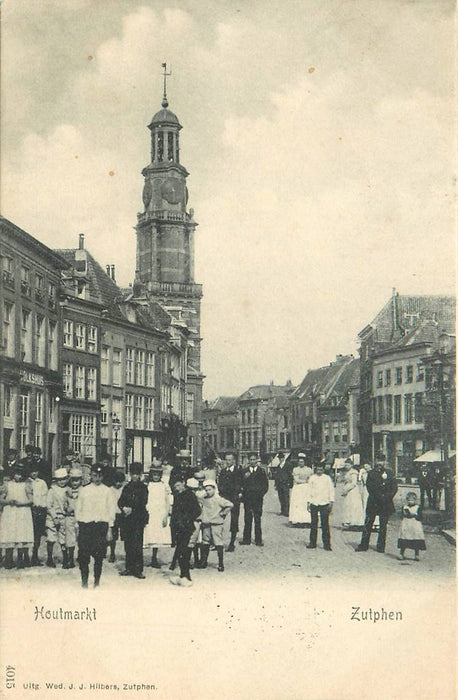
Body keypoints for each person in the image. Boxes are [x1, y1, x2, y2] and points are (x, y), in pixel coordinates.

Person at [75, 463, 115, 588]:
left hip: (100, 527)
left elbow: (111, 510)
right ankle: (84, 582)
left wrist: (110, 529)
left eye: (99, 476)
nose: (96, 478)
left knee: (98, 557)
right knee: (84, 557)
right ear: (90, 475)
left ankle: (96, 582)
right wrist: (77, 526)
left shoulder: (107, 491)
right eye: (94, 475)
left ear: (102, 476)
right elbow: (78, 509)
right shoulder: (84, 490)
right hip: (86, 526)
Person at [355, 459, 398, 554]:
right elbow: (370, 487)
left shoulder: (390, 473)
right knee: (368, 524)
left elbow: (394, 488)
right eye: (378, 462)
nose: (380, 464)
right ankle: (364, 544)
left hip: (386, 503)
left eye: (382, 462)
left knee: (383, 526)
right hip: (374, 502)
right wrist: (379, 496)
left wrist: (386, 497)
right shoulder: (371, 473)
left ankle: (381, 546)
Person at [0, 463, 34, 569]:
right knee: (9, 533)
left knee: (21, 533)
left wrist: (22, 503)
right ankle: (8, 560)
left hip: (23, 512)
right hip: (10, 511)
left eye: (20, 474)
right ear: (13, 474)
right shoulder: (7, 485)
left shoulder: (26, 485)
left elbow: (31, 500)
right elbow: (1, 499)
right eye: (16, 474)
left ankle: (21, 559)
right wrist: (8, 501)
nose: (18, 476)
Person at [118, 462, 149, 579]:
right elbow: (120, 501)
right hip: (127, 520)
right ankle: (129, 567)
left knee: (137, 544)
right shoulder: (127, 487)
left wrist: (132, 508)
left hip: (138, 519)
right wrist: (123, 508)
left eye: (137, 474)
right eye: (133, 474)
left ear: (140, 474)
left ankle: (138, 569)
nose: (135, 476)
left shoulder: (143, 488)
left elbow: (143, 502)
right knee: (128, 544)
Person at [169, 478, 201, 586]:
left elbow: (197, 510)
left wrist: (188, 518)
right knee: (181, 551)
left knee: (184, 551)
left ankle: (187, 577)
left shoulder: (190, 495)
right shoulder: (177, 496)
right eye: (175, 487)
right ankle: (183, 575)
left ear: (183, 483)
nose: (177, 488)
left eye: (178, 485)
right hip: (178, 527)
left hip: (186, 527)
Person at [198, 479, 233, 572]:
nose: (208, 492)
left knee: (218, 542)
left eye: (210, 489)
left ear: (214, 489)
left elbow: (230, 505)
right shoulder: (203, 499)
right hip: (206, 523)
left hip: (216, 523)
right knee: (205, 542)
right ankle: (204, 561)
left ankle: (221, 563)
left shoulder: (218, 499)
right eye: (206, 490)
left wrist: (223, 513)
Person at [144, 463, 171, 568]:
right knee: (149, 533)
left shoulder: (164, 485)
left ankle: (154, 557)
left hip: (159, 512)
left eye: (158, 475)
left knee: (158, 535)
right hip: (150, 512)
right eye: (154, 475)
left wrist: (166, 514)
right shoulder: (148, 485)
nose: (156, 477)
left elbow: (167, 500)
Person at [217, 452, 244, 552]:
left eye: (230, 460)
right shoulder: (223, 471)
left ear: (233, 460)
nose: (228, 462)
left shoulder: (238, 471)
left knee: (234, 520)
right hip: (225, 498)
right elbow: (220, 483)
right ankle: (218, 542)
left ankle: (232, 543)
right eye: (226, 460)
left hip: (234, 498)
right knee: (220, 519)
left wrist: (240, 493)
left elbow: (242, 483)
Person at [240, 455, 269, 546]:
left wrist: (260, 494)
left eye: (254, 460)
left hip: (258, 499)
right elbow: (241, 485)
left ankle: (258, 540)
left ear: (257, 460)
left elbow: (265, 486)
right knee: (247, 519)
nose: (252, 461)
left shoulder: (261, 471)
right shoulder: (245, 471)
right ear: (248, 460)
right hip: (247, 499)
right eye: (250, 460)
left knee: (257, 519)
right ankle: (246, 539)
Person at [306, 463, 334, 551]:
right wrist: (308, 502)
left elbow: (331, 490)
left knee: (325, 524)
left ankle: (327, 544)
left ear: (323, 470)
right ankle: (312, 543)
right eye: (318, 469)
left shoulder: (327, 478)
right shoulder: (312, 478)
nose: (319, 471)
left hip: (324, 503)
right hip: (314, 502)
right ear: (315, 469)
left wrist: (331, 501)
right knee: (313, 524)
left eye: (321, 469)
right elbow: (309, 490)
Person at [45, 467, 69, 568]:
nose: (62, 482)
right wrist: (54, 517)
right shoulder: (52, 490)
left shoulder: (68, 490)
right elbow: (48, 505)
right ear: (56, 480)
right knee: (51, 538)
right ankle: (49, 559)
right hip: (52, 517)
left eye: (64, 479)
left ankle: (65, 559)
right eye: (60, 480)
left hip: (64, 517)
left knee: (63, 539)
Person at [28, 463, 48, 565]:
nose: (34, 473)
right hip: (30, 510)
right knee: (28, 534)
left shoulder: (42, 483)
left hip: (40, 510)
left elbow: (45, 496)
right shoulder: (27, 482)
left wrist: (43, 507)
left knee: (38, 534)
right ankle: (26, 556)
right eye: (32, 471)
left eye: (35, 471)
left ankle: (35, 556)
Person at [397, 492, 426, 561]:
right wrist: (404, 514)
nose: (411, 501)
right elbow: (401, 516)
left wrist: (415, 515)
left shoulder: (418, 507)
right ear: (407, 500)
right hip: (406, 524)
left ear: (415, 500)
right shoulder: (404, 507)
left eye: (412, 500)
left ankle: (416, 555)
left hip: (415, 525)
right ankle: (401, 553)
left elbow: (420, 517)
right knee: (404, 538)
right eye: (409, 500)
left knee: (416, 538)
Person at [64, 467, 83, 569]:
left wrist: (74, 508)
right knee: (70, 538)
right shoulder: (67, 491)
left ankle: (81, 557)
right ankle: (70, 558)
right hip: (70, 517)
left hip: (80, 518)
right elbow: (64, 503)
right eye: (73, 480)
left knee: (81, 538)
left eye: (77, 480)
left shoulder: (84, 491)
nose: (75, 483)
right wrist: (67, 508)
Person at [289, 454, 312, 526]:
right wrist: (305, 481)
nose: (300, 463)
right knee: (298, 504)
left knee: (305, 504)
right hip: (298, 489)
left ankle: (306, 520)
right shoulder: (296, 469)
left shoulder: (309, 469)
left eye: (302, 462)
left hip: (306, 488)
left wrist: (307, 481)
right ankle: (297, 520)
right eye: (299, 462)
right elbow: (296, 480)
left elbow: (310, 478)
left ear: (305, 462)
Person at [107, 471, 125, 563]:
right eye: (116, 481)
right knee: (113, 536)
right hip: (113, 514)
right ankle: (112, 553)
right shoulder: (110, 490)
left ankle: (127, 553)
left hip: (123, 515)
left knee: (125, 535)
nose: (118, 483)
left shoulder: (124, 489)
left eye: (120, 481)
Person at [341, 459, 365, 529]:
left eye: (348, 465)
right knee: (348, 505)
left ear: (351, 465)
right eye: (345, 465)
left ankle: (355, 522)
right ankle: (349, 521)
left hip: (352, 491)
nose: (346, 466)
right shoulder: (347, 472)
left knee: (353, 505)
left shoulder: (353, 472)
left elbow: (354, 483)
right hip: (348, 491)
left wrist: (346, 490)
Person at [274, 452, 294, 516]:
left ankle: (287, 511)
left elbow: (290, 475)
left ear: (284, 458)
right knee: (281, 497)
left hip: (285, 483)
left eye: (281, 458)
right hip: (279, 484)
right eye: (279, 458)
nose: (280, 459)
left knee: (286, 497)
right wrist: (276, 484)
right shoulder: (278, 466)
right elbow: (276, 476)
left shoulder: (288, 465)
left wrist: (290, 483)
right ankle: (282, 511)